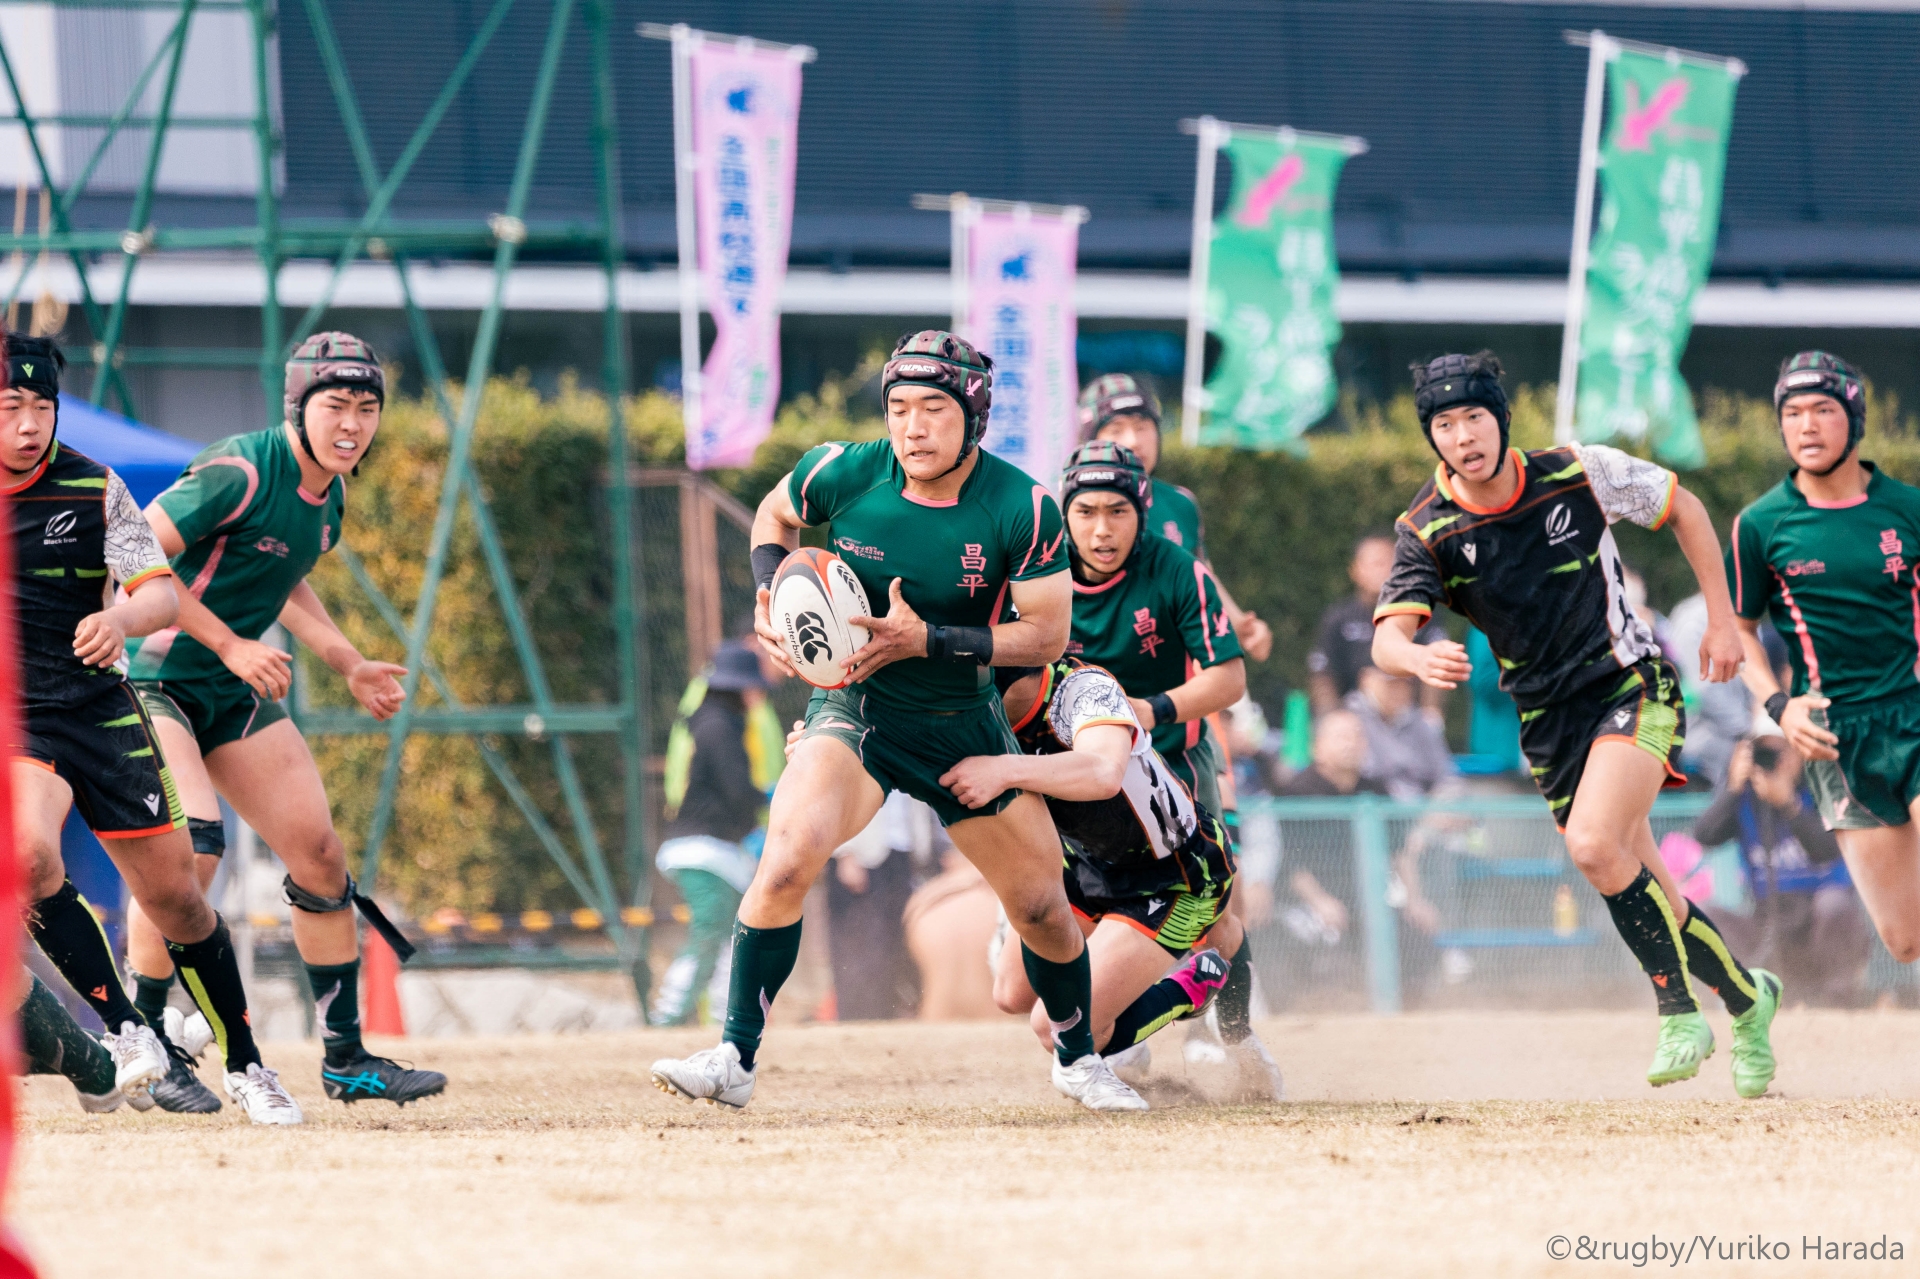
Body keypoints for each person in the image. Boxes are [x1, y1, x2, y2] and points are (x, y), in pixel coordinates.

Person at [651, 330, 1140, 1113]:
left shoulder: (1024, 506)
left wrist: (930, 639)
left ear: (973, 417)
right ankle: (733, 1054)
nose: (912, 426)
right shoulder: (841, 471)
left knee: (1044, 906)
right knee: (786, 858)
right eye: (900, 407)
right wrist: (772, 591)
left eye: (934, 409)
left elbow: (1047, 636)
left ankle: (1080, 1061)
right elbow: (774, 516)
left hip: (962, 721)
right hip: (856, 712)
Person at [1371, 350, 1781, 1096]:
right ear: (1432, 438)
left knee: (1595, 844)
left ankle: (1677, 1009)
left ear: (1501, 417)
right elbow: (1386, 637)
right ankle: (1751, 1001)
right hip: (1549, 724)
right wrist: (1413, 657)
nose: (1463, 435)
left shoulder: (1579, 470)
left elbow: (1685, 508)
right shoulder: (1426, 527)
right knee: (1651, 885)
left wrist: (1723, 622)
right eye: (1444, 424)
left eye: (1474, 416)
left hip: (1632, 683)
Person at [124, 331, 445, 1108]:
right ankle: (148, 1039)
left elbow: (287, 580)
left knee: (319, 855)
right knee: (192, 853)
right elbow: (135, 550)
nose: (353, 422)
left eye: (368, 407)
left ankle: (346, 1059)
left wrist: (350, 662)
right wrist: (232, 644)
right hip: (154, 678)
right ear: (299, 407)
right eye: (336, 404)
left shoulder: (328, 495)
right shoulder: (238, 469)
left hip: (229, 692)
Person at [2, 331, 297, 1122]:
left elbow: (160, 594)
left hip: (101, 710)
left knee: (176, 901)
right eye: (10, 407)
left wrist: (118, 616)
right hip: (19, 720)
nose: (30, 423)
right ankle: (128, 1029)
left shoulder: (93, 486)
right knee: (27, 856)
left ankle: (248, 1063)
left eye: (42, 405)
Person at [962, 658, 1282, 1102]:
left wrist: (1003, 769)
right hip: (1087, 867)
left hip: (1172, 876)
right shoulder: (984, 717)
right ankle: (1119, 1035)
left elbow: (1102, 772)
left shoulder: (1084, 687)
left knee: (1055, 1029)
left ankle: (1193, 985)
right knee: (1011, 992)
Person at [1728, 350, 1920, 968]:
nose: (1806, 425)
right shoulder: (1760, 525)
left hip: (1914, 712)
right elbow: (1739, 633)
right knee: (1904, 938)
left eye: (1822, 410)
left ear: (1853, 420)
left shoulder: (1908, 509)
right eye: (1792, 412)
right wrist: (1780, 708)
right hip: (1837, 741)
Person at [1057, 440, 1246, 818]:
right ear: (1064, 514)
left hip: (1173, 763)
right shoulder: (1039, 570)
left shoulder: (1179, 570)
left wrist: (1148, 711)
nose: (1101, 531)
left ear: (1143, 512)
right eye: (1086, 512)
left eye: (1117, 511)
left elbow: (1229, 678)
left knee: (1206, 876)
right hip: (1066, 769)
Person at [1077, 374, 1272, 662]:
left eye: (1142, 427)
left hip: (1179, 673)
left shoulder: (1181, 503)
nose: (1133, 441)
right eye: (1116, 429)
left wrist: (1240, 624)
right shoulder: (1067, 508)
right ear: (1090, 442)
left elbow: (1201, 575)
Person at [1692, 728, 1870, 1006]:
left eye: (1776, 752)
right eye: (1761, 753)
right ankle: (1742, 1000)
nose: (1768, 761)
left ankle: (1839, 1000)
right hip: (1767, 927)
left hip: (1819, 925)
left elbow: (1829, 851)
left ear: (1797, 752)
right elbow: (1704, 835)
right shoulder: (1744, 800)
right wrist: (1733, 787)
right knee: (1704, 915)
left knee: (1833, 903)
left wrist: (1790, 805)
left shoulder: (1822, 788)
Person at [651, 641, 769, 1027]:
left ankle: (723, 1015)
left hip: (709, 848)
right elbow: (735, 790)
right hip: (704, 849)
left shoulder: (707, 722)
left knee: (728, 936)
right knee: (710, 932)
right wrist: (769, 799)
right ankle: (668, 1015)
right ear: (740, 688)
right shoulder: (719, 727)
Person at [1309, 532, 1446, 721]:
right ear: (1355, 570)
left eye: (1391, 563)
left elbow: (1439, 664)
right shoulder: (1338, 618)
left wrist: (1431, 715)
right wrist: (1331, 718)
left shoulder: (1421, 613)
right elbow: (1322, 672)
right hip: (1355, 722)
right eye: (1376, 564)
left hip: (1410, 720)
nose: (1384, 571)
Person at [1348, 664, 1459, 801]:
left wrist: (1441, 806)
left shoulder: (1422, 725)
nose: (1398, 690)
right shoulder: (1347, 720)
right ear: (1367, 680)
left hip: (1421, 814)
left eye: (1404, 684)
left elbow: (1448, 778)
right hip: (1366, 810)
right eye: (1390, 684)